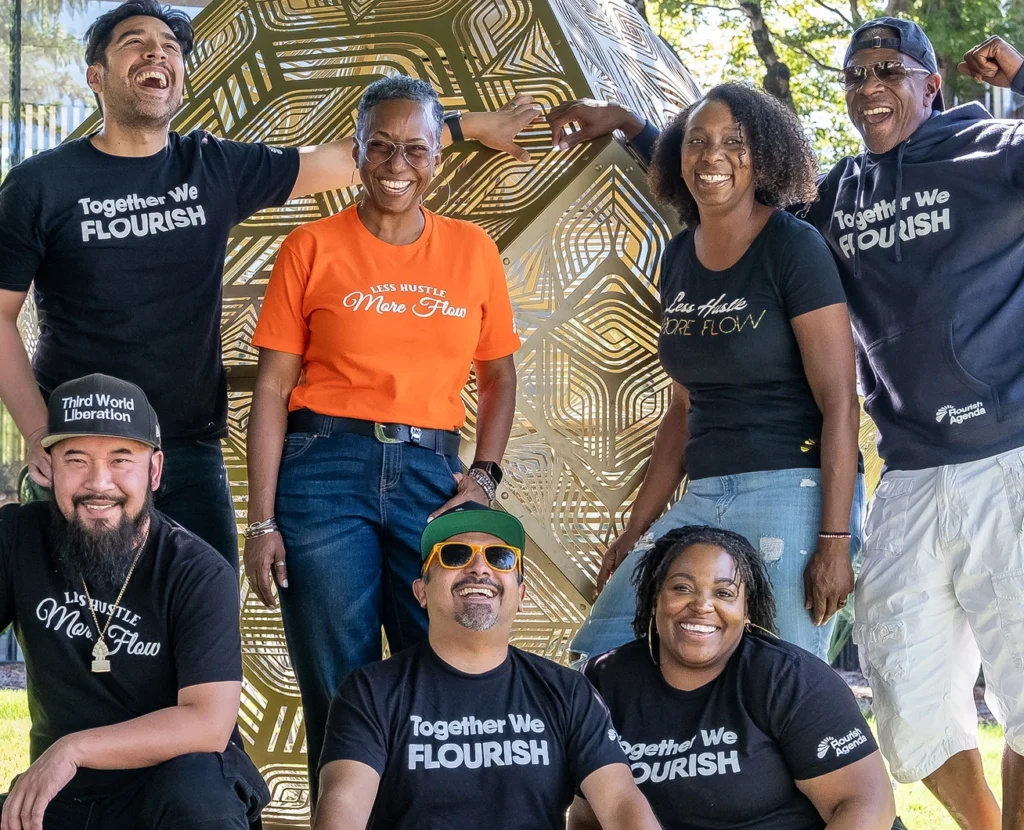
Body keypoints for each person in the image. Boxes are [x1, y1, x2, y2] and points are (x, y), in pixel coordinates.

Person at [548, 21, 1024, 828]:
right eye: (854, 74)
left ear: (931, 83)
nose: (869, 85)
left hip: (1001, 451)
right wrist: (634, 126)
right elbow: (728, 179)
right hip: (908, 463)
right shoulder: (838, 194)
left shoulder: (990, 143)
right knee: (907, 701)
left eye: (888, 70)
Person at [0, 0, 539, 568]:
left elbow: (351, 159)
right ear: (96, 76)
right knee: (80, 630)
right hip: (84, 451)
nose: (157, 51)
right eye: (134, 41)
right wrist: (40, 434)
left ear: (180, 79)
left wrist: (469, 125)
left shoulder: (212, 167)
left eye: (170, 46)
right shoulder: (41, 184)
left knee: (202, 627)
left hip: (186, 446)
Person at [243, 74, 521, 796]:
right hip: (321, 472)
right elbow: (271, 390)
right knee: (339, 685)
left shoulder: (472, 251)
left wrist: (483, 478)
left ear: (438, 155)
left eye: (416, 149)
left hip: (433, 477)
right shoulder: (310, 247)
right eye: (381, 148)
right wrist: (262, 519)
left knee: (448, 666)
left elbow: (499, 380)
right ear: (359, 153)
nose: (399, 166)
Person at [569, 83, 862, 665]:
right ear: (679, 155)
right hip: (704, 491)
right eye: (698, 141)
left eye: (735, 142)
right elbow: (682, 410)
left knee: (781, 674)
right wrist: (636, 532)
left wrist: (834, 541)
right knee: (602, 651)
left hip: (792, 487)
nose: (713, 156)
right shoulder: (677, 256)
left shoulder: (793, 247)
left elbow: (840, 403)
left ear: (766, 156)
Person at [0, 374, 267, 830]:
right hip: (66, 797)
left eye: (121, 459)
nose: (98, 483)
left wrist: (72, 749)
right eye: (76, 459)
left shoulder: (196, 571)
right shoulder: (18, 538)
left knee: (197, 790)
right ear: (49, 465)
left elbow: (207, 722)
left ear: (155, 470)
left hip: (173, 792)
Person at [313, 503, 660, 829]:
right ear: (420, 592)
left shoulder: (568, 691)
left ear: (521, 596)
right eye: (455, 555)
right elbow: (343, 804)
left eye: (500, 557)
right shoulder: (371, 691)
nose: (479, 568)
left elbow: (620, 802)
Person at [569, 525, 895, 830]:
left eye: (724, 593)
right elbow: (589, 819)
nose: (702, 606)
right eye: (682, 588)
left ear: (747, 609)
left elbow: (867, 802)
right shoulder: (604, 684)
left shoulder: (790, 679)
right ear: (655, 598)